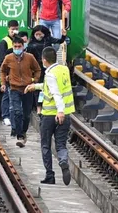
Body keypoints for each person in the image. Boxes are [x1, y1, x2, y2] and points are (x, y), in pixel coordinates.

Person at [25, 47, 75, 186]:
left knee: (45, 145)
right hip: (66, 114)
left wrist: (59, 111)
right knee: (61, 144)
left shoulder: (50, 74)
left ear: (44, 60)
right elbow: (52, 87)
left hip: (50, 116)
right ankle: (63, 160)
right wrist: (34, 86)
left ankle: (50, 175)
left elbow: (56, 93)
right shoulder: (63, 70)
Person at [0, 36, 41, 147]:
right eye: (15, 46)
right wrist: (3, 83)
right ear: (12, 46)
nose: (17, 48)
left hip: (28, 88)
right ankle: (19, 135)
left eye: (19, 46)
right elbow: (2, 70)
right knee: (17, 111)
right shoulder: (8, 58)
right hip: (14, 88)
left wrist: (35, 80)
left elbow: (37, 69)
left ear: (23, 47)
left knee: (26, 114)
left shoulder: (30, 57)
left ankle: (23, 131)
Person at [28, 25, 67, 114]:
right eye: (36, 34)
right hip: (36, 69)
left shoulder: (48, 40)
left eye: (40, 34)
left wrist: (64, 35)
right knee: (37, 88)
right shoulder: (31, 44)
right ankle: (38, 107)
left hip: (47, 68)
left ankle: (43, 104)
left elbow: (59, 41)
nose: (38, 36)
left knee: (46, 88)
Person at [0, 20, 19, 127]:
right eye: (12, 29)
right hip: (8, 73)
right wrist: (4, 74)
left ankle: (13, 116)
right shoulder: (4, 42)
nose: (14, 31)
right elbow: (2, 60)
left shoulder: (18, 41)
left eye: (16, 29)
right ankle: (5, 116)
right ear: (8, 29)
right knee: (6, 95)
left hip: (16, 73)